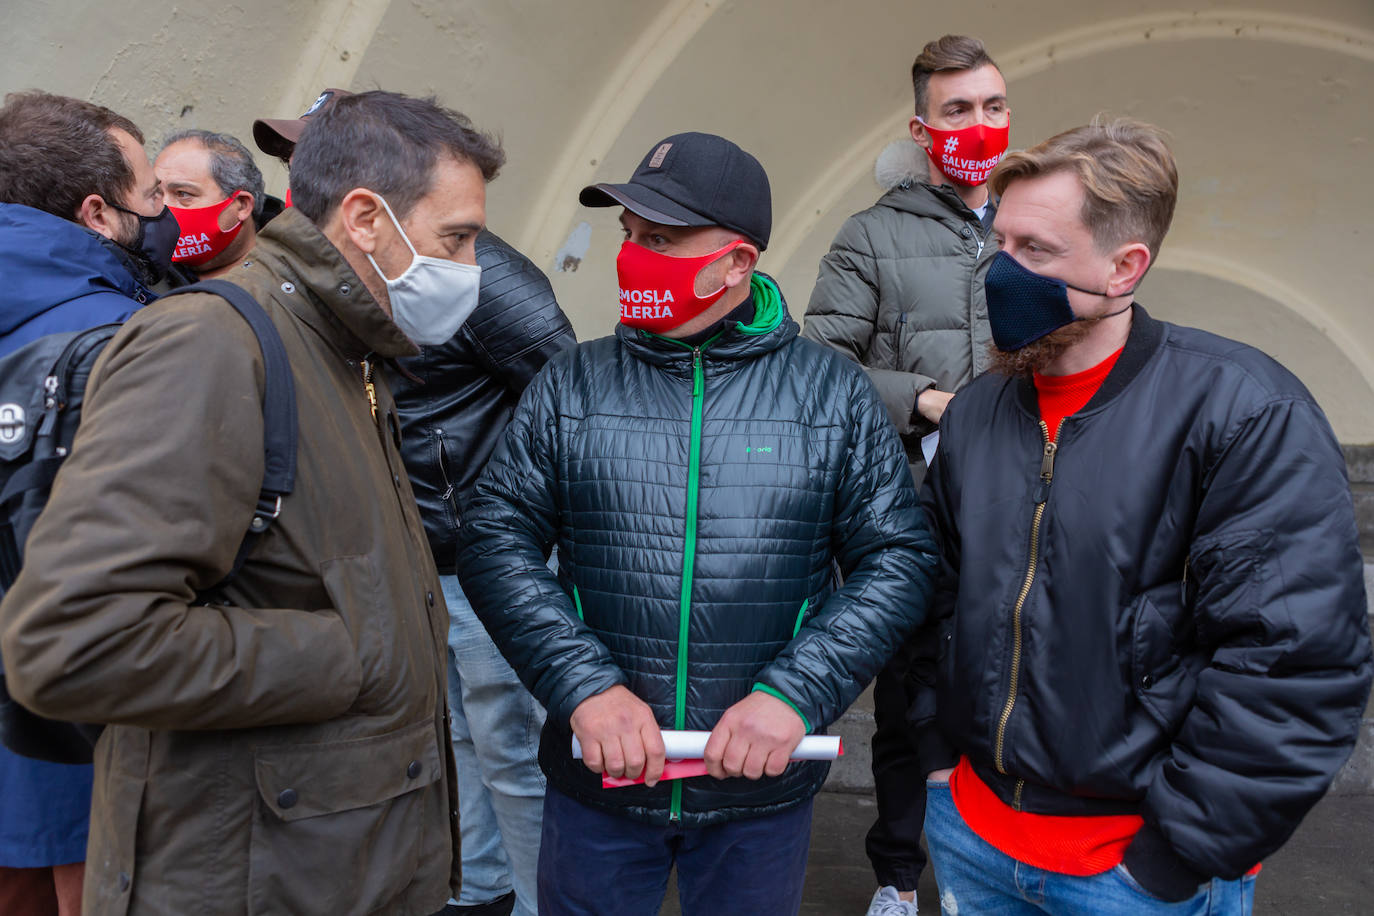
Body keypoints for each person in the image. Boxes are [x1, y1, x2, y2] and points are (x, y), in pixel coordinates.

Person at [0, 89, 506, 915]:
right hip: (245, 877)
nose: (469, 267)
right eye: (456, 238)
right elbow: (75, 639)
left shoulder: (348, 353)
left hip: (324, 868)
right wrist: (353, 656)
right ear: (366, 219)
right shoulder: (213, 345)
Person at [455, 131, 937, 916]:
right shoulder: (572, 382)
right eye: (632, 236)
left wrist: (796, 693)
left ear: (738, 264)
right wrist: (586, 688)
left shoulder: (831, 395)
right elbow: (494, 539)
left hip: (759, 795)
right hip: (598, 785)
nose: (634, 256)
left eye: (664, 239)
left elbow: (899, 558)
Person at [912, 117, 1373, 914]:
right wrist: (934, 767)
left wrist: (1173, 856)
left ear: (1127, 267)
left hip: (1136, 876)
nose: (1001, 272)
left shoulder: (1244, 412)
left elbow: (1293, 663)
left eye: (1036, 252)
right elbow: (936, 599)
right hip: (973, 837)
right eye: (1001, 239)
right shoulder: (979, 414)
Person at [801, 34, 1009, 915]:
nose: (978, 124)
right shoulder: (872, 234)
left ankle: (996, 873)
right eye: (957, 109)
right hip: (918, 509)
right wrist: (924, 399)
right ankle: (897, 876)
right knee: (913, 703)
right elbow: (819, 358)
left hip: (1029, 505)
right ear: (922, 127)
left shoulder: (1040, 217)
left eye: (993, 105)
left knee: (1013, 692)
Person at [0, 88, 173, 916]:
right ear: (99, 213)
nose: (166, 213)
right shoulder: (120, 340)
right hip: (79, 733)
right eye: (153, 193)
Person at [392, 233, 576, 916]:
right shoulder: (368, 263)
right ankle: (477, 885)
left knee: (512, 746)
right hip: (423, 555)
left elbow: (566, 387)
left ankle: (536, 901)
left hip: (487, 558)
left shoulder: (482, 273)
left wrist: (514, 515)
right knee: (455, 735)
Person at [154, 129, 266, 278]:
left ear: (242, 205)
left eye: (183, 194)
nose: (162, 207)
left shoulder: (283, 284)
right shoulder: (142, 275)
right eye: (155, 193)